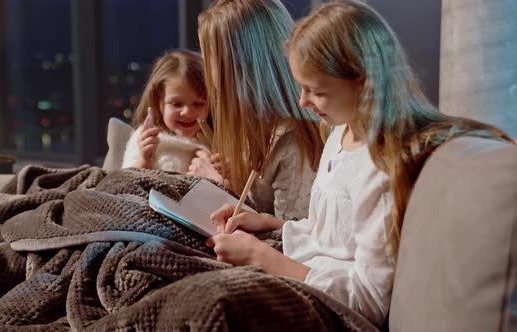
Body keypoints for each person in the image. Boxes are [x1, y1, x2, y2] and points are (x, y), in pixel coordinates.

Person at [205, 0, 514, 326]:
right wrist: (268, 222)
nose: (303, 102)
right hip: (301, 270)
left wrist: (260, 256)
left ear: (364, 83)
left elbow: (368, 299)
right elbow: (333, 237)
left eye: (317, 91)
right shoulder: (339, 132)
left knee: (203, 300)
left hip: (328, 309)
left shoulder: (378, 170)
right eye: (302, 87)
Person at [189, 0, 323, 221]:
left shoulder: (293, 142)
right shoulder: (252, 128)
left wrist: (217, 188)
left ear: (240, 64)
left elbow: (289, 239)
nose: (206, 70)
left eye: (209, 58)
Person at [122, 49, 210, 174]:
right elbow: (123, 183)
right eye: (176, 104)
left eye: (198, 104)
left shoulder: (215, 141)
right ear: (159, 102)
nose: (187, 112)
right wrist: (143, 161)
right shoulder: (145, 138)